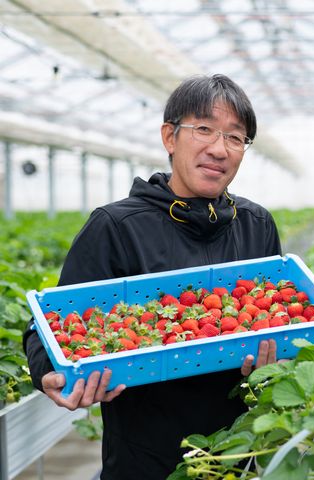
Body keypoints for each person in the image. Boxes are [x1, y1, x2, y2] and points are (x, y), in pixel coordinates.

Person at [23, 74, 282, 479]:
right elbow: (50, 325)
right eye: (204, 129)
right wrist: (49, 373)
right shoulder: (116, 226)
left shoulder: (256, 224)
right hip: (143, 457)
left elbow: (284, 312)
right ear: (169, 137)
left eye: (236, 137)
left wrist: (277, 360)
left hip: (238, 452)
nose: (219, 148)